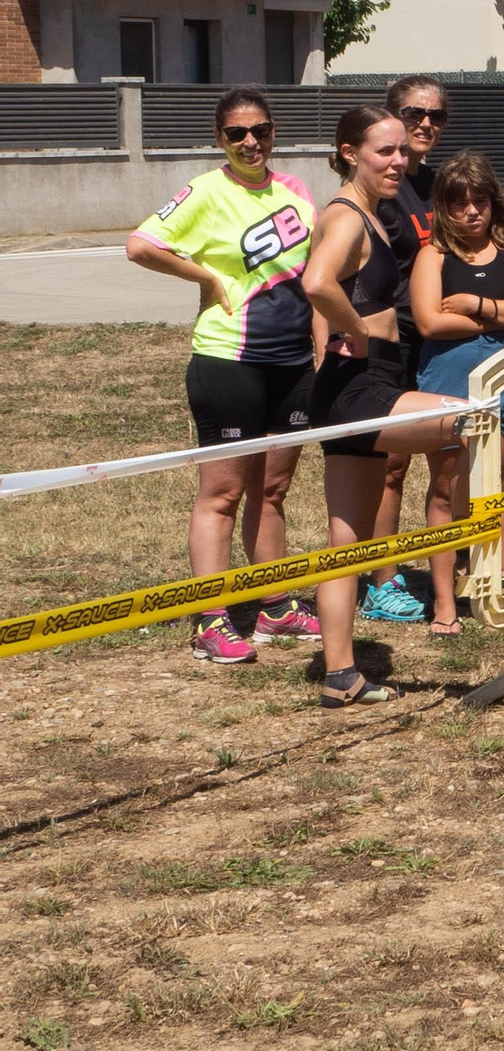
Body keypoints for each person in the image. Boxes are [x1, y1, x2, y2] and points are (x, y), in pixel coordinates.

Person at [124, 85, 323, 664]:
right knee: (223, 493)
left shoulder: (296, 191)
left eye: (259, 130)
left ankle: (276, 608)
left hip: (292, 364)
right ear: (220, 139)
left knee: (274, 490)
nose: (250, 141)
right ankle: (209, 620)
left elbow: (309, 277)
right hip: (228, 361)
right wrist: (207, 281)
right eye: (236, 133)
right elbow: (140, 245)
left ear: (273, 132)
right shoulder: (206, 192)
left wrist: (320, 349)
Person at [302, 105, 475, 708]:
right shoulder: (346, 216)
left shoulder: (368, 214)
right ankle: (492, 558)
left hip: (360, 381)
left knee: (346, 542)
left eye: (403, 151)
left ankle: (340, 674)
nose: (400, 161)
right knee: (471, 418)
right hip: (360, 386)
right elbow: (317, 283)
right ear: (350, 152)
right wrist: (353, 330)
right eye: (385, 151)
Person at [410, 150, 504, 635]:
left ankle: (492, 583)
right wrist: (500, 315)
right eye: (459, 204)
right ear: (443, 208)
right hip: (447, 386)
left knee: (496, 490)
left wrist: (475, 304)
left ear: (494, 204)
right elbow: (429, 321)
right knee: (447, 489)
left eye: (480, 202)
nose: (471, 212)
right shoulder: (433, 256)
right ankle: (444, 601)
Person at [360, 74, 450, 626]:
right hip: (390, 341)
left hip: (437, 341)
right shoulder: (379, 189)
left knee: (448, 456)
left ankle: (450, 562)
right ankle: (382, 581)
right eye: (414, 113)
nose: (424, 125)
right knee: (390, 466)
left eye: (436, 116)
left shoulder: (439, 185)